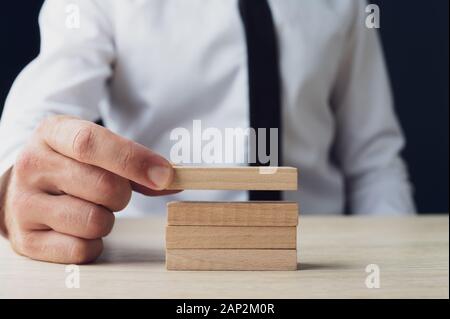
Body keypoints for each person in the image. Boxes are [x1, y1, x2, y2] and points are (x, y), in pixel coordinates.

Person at [0, 0, 415, 264]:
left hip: (317, 262)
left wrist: (390, 267)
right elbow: (38, 122)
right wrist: (13, 187)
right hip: (160, 263)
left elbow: (373, 161)